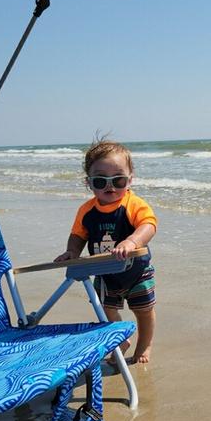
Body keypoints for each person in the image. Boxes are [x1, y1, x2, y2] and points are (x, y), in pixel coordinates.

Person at [54, 138, 157, 364]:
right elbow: (78, 235)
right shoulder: (87, 210)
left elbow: (148, 225)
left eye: (118, 180)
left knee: (144, 310)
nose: (110, 186)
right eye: (101, 181)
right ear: (88, 183)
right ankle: (120, 338)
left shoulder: (133, 204)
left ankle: (144, 345)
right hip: (105, 272)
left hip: (136, 271)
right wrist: (72, 252)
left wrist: (132, 241)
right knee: (105, 309)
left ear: (130, 180)